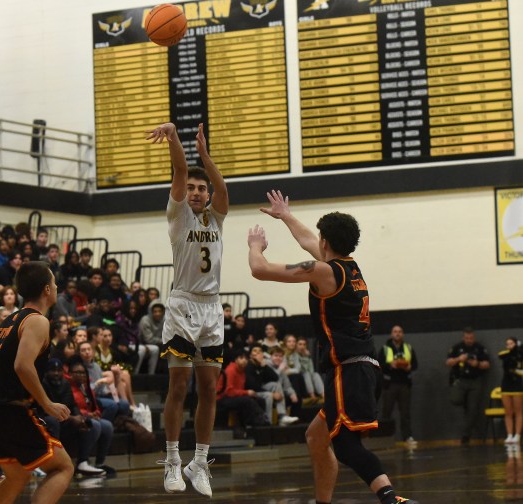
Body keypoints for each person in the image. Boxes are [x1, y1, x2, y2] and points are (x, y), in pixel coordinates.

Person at [248, 189, 418, 504]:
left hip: (348, 371)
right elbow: (309, 240)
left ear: (327, 242)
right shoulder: (350, 268)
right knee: (316, 437)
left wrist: (255, 247)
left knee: (346, 446)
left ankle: (393, 499)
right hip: (363, 368)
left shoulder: (324, 272)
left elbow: (260, 269)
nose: (317, 241)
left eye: (321, 238)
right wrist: (286, 216)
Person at [146, 122, 228, 497]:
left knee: (209, 388)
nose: (195, 192)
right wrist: (175, 137)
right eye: (191, 188)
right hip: (182, 305)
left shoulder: (217, 216)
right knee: (179, 385)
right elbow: (180, 170)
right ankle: (173, 461)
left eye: (201, 188)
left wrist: (207, 157)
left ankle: (200, 462)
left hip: (212, 309)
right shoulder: (178, 216)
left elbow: (223, 189)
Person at [0, 261, 74, 504]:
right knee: (63, 467)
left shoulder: (9, 320)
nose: (57, 285)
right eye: (53, 282)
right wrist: (47, 403)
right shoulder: (37, 321)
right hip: (10, 409)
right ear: (47, 289)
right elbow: (22, 365)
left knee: (17, 475)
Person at [41, 358, 109, 477]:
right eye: (53, 370)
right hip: (48, 419)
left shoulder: (65, 384)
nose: (56, 373)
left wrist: (81, 419)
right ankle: (51, 463)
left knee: (90, 424)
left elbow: (72, 406)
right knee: (53, 422)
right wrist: (74, 418)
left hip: (66, 419)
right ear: (46, 372)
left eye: (59, 370)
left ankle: (83, 462)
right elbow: (46, 410)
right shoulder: (43, 384)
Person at [446, 327, 490, 444]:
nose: (469, 340)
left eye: (471, 338)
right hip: (460, 380)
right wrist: (458, 359)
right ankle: (465, 399)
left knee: (472, 410)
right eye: (467, 338)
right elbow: (448, 362)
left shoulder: (479, 348)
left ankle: (466, 435)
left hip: (475, 381)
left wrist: (478, 364)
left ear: (473, 337)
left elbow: (487, 364)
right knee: (455, 399)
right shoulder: (457, 347)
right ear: (463, 337)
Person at [377, 325, 418, 447]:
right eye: (395, 331)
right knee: (387, 412)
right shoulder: (385, 348)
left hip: (404, 384)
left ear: (403, 334)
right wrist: (391, 365)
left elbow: (415, 364)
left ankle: (407, 437)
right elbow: (379, 365)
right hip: (390, 385)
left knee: (405, 413)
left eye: (400, 331)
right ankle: (385, 438)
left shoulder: (408, 347)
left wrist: (409, 367)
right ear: (391, 334)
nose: (397, 334)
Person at [245, 345, 299, 425]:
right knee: (269, 395)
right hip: (253, 390)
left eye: (260, 352)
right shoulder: (249, 366)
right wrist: (273, 394)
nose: (258, 353)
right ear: (250, 355)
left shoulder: (262, 364)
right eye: (255, 351)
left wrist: (265, 366)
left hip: (266, 388)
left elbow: (275, 378)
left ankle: (282, 417)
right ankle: (268, 422)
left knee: (276, 385)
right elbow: (253, 385)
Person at [498, 337, 523, 445]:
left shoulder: (520, 354)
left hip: (517, 384)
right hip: (506, 384)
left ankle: (517, 435)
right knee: (508, 412)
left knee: (518, 411)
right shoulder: (505, 355)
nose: (509, 345)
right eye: (507, 344)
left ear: (516, 343)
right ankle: (509, 435)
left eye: (511, 343)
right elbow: (500, 355)